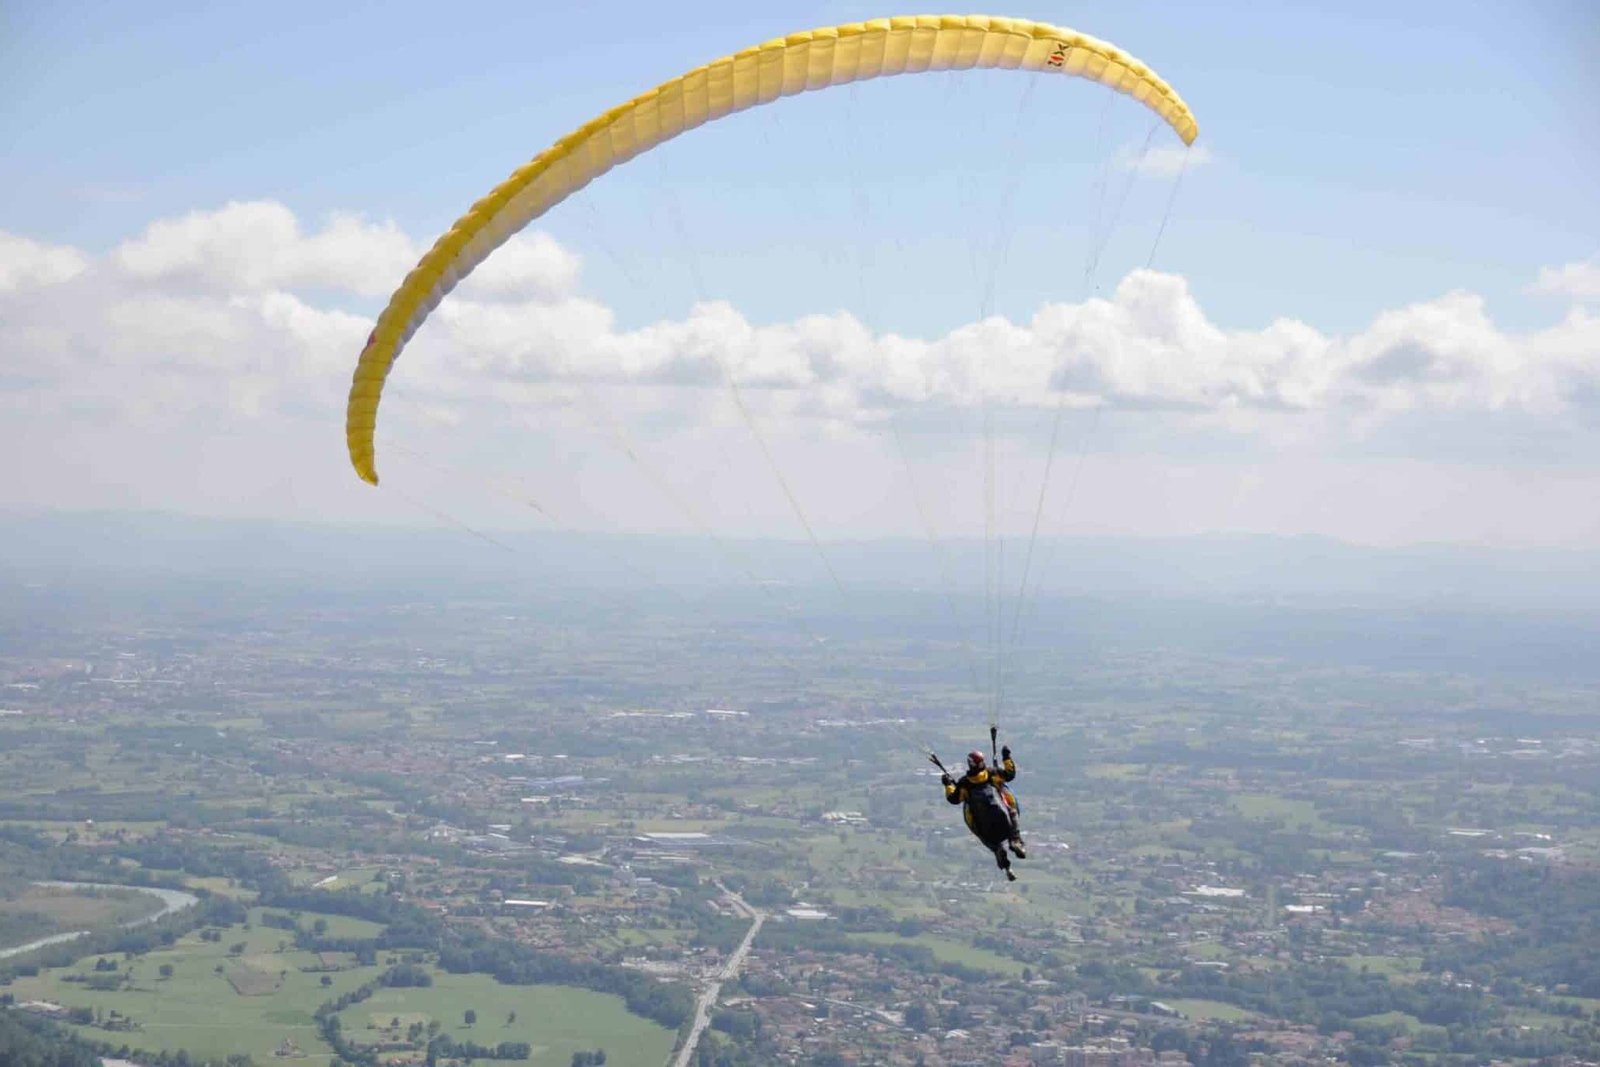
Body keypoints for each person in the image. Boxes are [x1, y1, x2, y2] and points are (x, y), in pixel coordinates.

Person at [942, 746, 1026, 860]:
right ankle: (1015, 840)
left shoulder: (964, 783)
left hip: (983, 825)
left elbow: (954, 799)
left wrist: (948, 785)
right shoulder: (992, 773)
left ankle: (997, 850)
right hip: (1002, 816)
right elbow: (1009, 774)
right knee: (1012, 811)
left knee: (978, 830)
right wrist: (1006, 757)